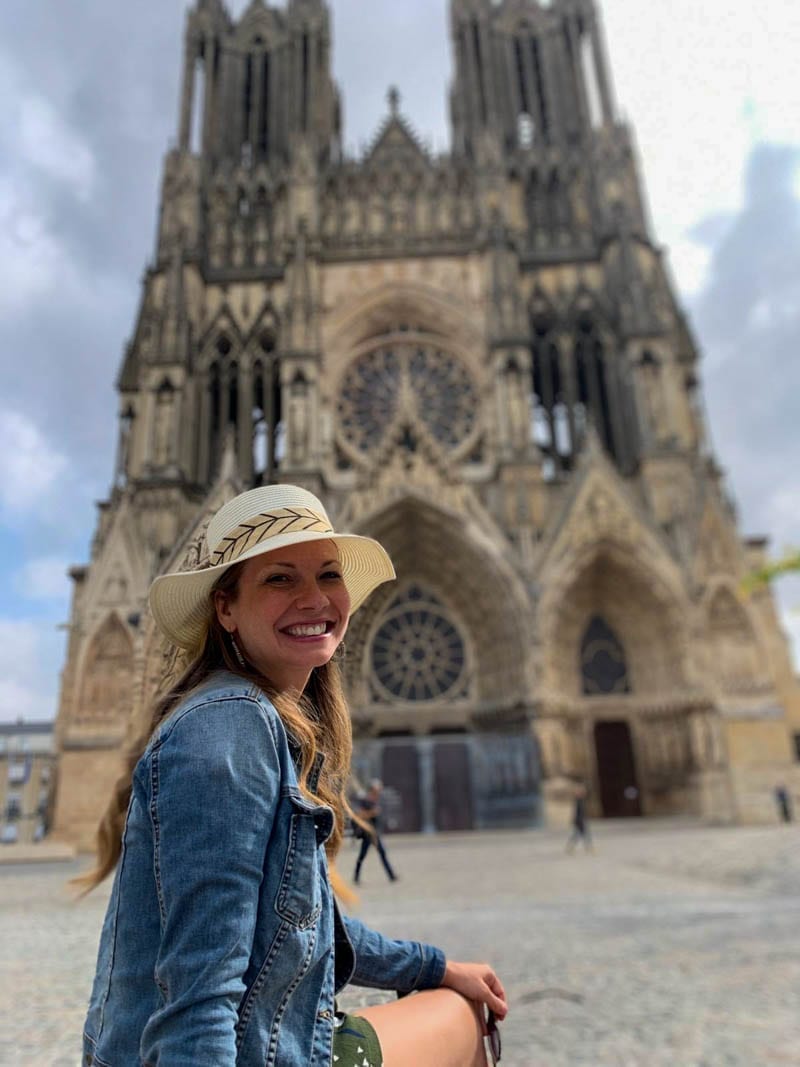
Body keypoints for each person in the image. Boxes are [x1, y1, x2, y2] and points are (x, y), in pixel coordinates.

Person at [78, 483, 507, 1067]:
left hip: (281, 1041)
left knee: (459, 1000)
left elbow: (315, 928)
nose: (314, 598)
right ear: (224, 607)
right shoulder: (230, 731)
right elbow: (197, 1000)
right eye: (281, 578)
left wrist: (438, 966)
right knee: (462, 1022)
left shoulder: (265, 722)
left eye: (329, 575)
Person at [353, 778, 398, 884]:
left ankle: (391, 876)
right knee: (362, 856)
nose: (379, 792)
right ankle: (356, 877)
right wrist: (372, 813)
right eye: (377, 789)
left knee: (382, 854)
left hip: (375, 833)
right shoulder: (365, 801)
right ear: (372, 789)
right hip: (368, 833)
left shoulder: (376, 801)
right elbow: (359, 815)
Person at [565, 781, 592, 853]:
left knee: (578, 834)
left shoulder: (580, 801)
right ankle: (588, 848)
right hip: (579, 821)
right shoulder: (578, 801)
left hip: (579, 820)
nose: (584, 793)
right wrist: (578, 820)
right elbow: (577, 813)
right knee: (583, 834)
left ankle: (571, 847)